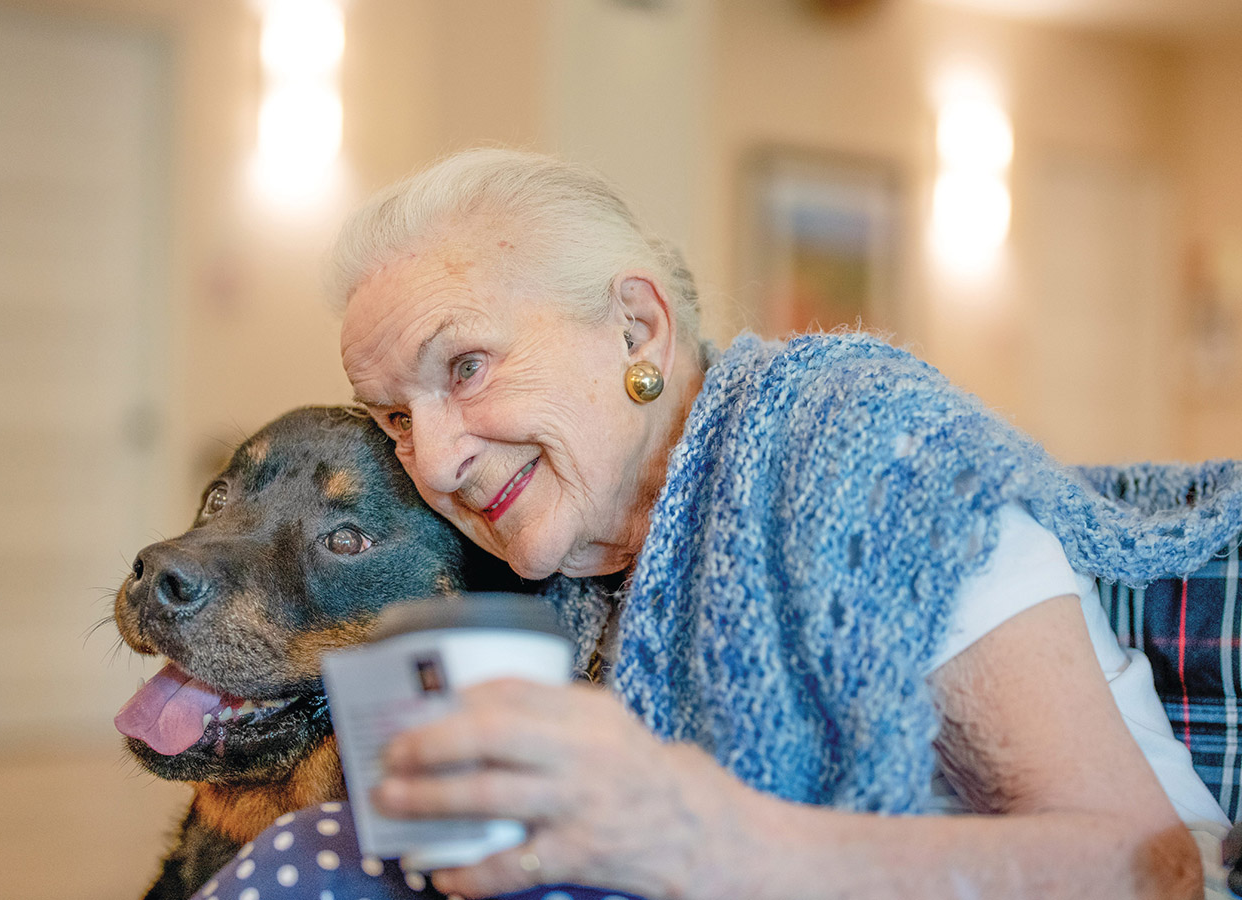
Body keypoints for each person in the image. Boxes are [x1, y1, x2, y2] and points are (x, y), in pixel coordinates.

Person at [214, 149, 1242, 900]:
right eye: (395, 417)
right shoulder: (555, 572)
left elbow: (1145, 863)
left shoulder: (857, 461)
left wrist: (709, 841)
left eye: (466, 367)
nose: (431, 459)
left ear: (636, 325)